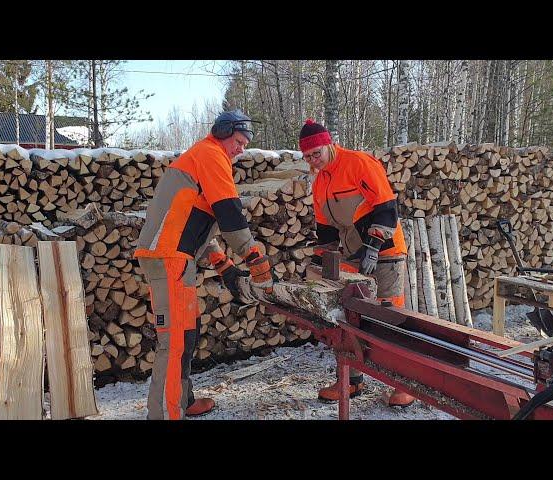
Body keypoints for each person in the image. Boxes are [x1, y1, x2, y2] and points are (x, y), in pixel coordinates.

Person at [134, 109, 274, 420]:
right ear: (223, 133)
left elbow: (196, 221)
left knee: (188, 332)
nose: (241, 149)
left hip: (179, 258)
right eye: (238, 141)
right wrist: (252, 255)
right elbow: (229, 212)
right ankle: (164, 414)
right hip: (168, 258)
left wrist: (223, 264)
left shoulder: (203, 157)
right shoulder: (211, 154)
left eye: (245, 144)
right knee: (174, 343)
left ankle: (182, 400)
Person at [299, 118, 415, 407]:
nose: (314, 160)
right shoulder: (320, 181)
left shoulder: (358, 163)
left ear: (328, 144)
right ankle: (350, 381)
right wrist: (319, 266)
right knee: (348, 316)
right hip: (352, 252)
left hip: (385, 249)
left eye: (317, 153)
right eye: (308, 156)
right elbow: (326, 231)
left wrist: (373, 248)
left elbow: (386, 209)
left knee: (392, 317)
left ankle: (404, 384)